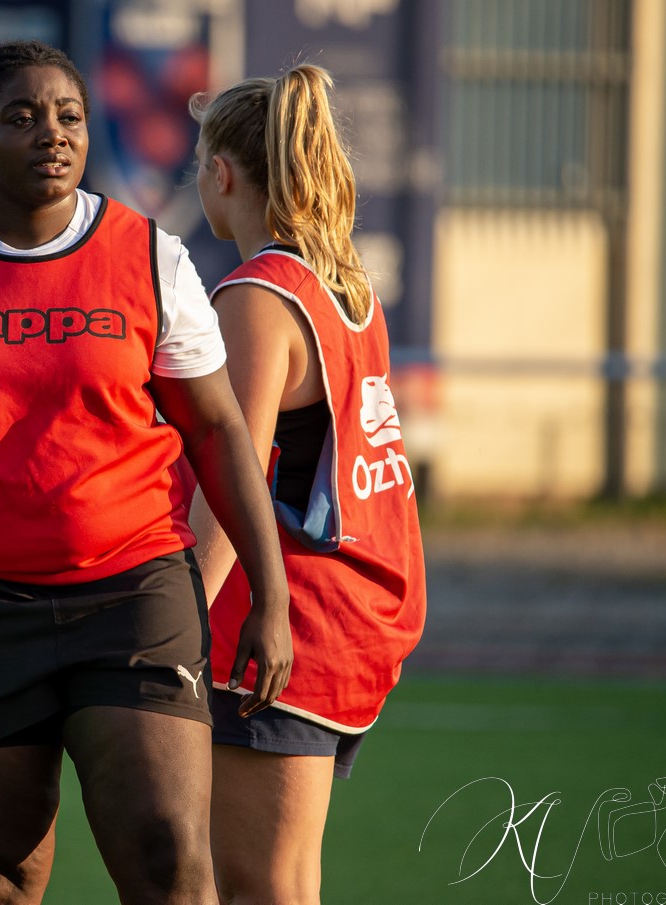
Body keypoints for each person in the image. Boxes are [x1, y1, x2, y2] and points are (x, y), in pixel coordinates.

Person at [0, 39, 291, 905]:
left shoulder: (152, 258)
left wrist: (270, 592)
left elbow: (222, 432)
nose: (52, 133)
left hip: (131, 593)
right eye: (23, 117)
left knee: (168, 856)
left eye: (70, 116)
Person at [187, 65, 427, 903]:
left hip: (286, 620)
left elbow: (233, 471)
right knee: (280, 881)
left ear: (222, 174)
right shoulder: (347, 284)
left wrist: (170, 628)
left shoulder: (257, 297)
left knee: (259, 885)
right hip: (348, 612)